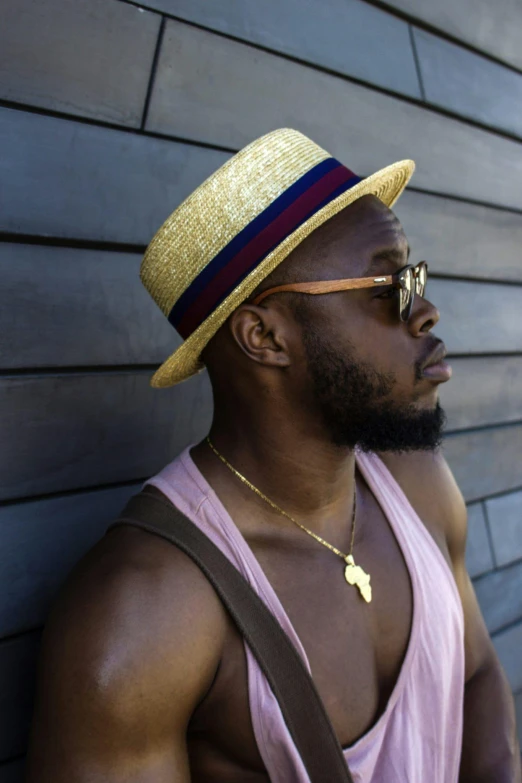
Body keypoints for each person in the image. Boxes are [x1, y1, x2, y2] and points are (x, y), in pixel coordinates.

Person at [27, 129, 521, 782]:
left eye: (415, 277)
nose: (424, 310)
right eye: (389, 286)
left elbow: (475, 672)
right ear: (264, 336)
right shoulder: (144, 613)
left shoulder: (419, 484)